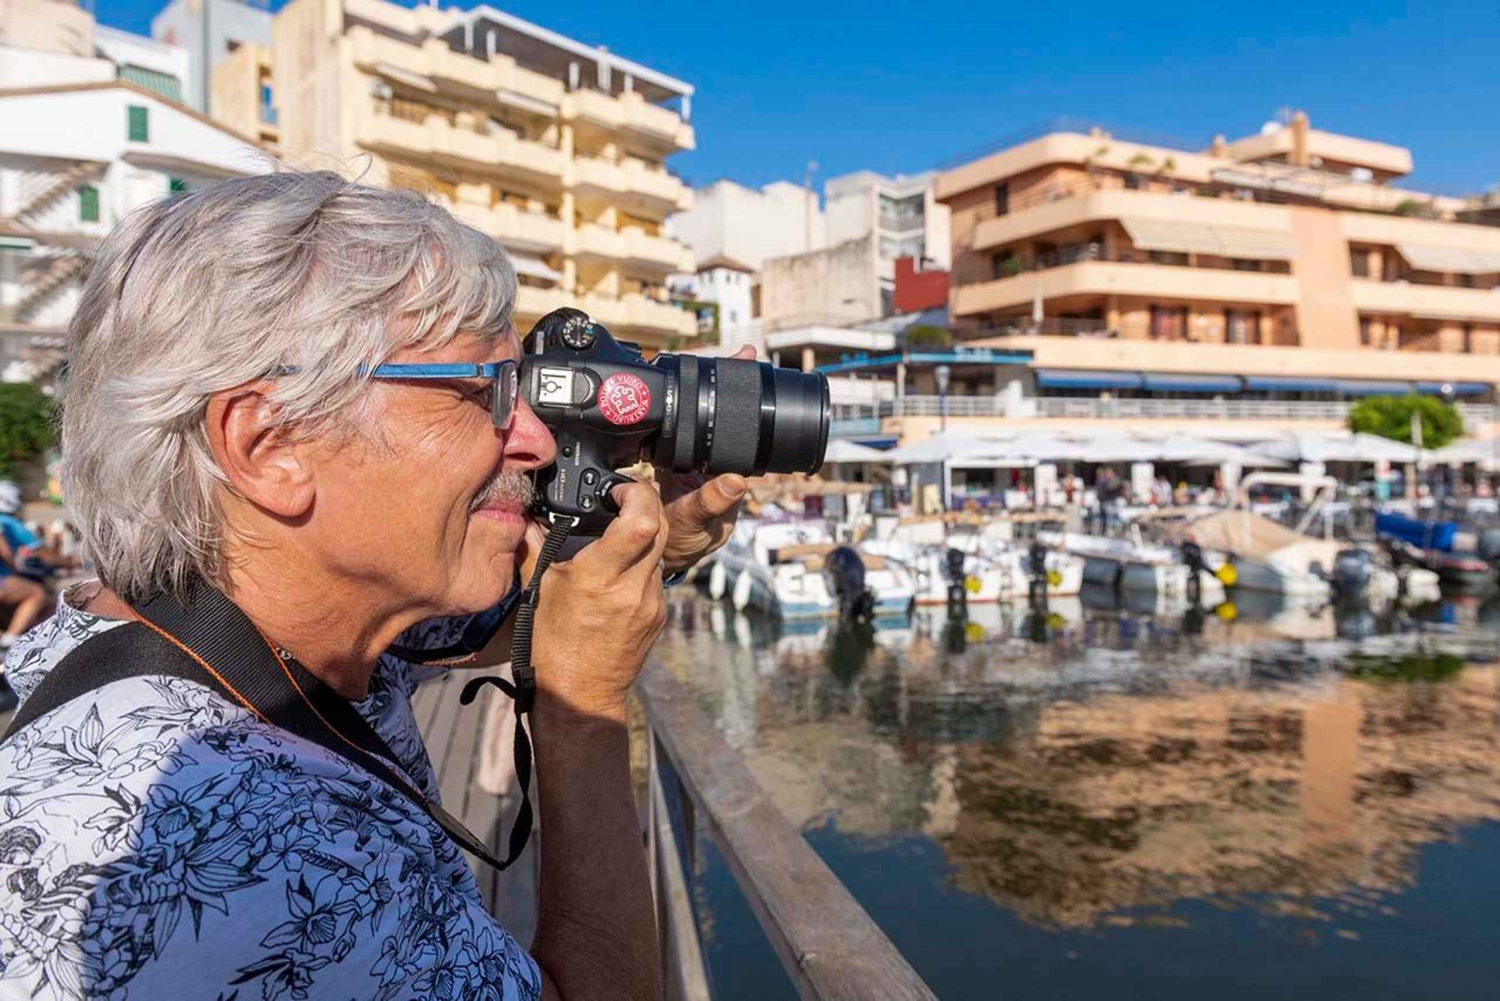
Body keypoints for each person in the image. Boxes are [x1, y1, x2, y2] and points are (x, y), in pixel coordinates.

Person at [0, 173, 750, 1000]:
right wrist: (583, 708)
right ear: (270, 442)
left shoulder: (227, 630)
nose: (536, 440)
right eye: (487, 392)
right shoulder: (270, 861)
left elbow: (487, 627)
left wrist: (658, 548)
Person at [0, 481, 49, 649]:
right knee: (36, 593)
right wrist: (14, 564)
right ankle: (10, 641)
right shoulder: (8, 521)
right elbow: (5, 551)